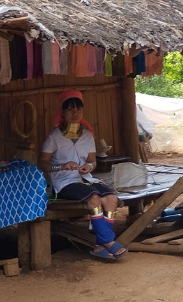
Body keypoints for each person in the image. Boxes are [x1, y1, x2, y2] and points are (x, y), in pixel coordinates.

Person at [38, 89, 128, 260]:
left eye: (78, 109)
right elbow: (42, 164)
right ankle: (108, 241)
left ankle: (99, 245)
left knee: (111, 199)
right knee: (94, 197)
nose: (74, 113)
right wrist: (61, 166)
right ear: (62, 113)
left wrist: (88, 166)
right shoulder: (54, 137)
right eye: (70, 109)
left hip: (85, 179)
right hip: (63, 183)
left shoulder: (87, 135)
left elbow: (93, 162)